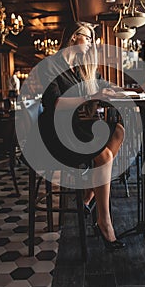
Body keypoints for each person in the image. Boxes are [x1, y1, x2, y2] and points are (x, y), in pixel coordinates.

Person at [38, 21, 126, 250]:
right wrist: (92, 96)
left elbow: (101, 85)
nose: (90, 43)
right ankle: (104, 222)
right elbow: (56, 103)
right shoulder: (50, 66)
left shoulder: (79, 69)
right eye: (87, 38)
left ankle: (87, 196)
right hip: (56, 133)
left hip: (77, 126)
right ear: (73, 38)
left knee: (118, 131)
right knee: (105, 157)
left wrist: (124, 91)